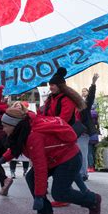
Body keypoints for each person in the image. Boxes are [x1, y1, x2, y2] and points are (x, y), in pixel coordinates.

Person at [0, 107, 102, 214]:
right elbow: (18, 146)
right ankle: (45, 213)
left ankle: (93, 200)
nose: (3, 129)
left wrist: (39, 196)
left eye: (5, 126)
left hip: (68, 158)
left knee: (60, 193)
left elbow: (40, 168)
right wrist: (3, 158)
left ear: (14, 126)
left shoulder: (33, 137)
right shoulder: (23, 130)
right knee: (31, 177)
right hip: (53, 158)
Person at [40, 67, 87, 206]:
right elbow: (45, 115)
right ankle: (83, 192)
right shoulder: (51, 99)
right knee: (63, 164)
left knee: (62, 164)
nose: (51, 87)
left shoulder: (67, 99)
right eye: (50, 85)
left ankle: (67, 196)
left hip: (64, 136)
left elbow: (63, 119)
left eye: (53, 85)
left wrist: (47, 126)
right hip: (55, 135)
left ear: (60, 86)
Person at [76, 73, 99, 181]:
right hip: (73, 134)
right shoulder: (70, 110)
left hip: (83, 133)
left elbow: (90, 97)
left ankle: (83, 174)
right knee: (76, 154)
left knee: (83, 153)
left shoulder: (84, 107)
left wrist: (93, 84)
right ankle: (78, 173)